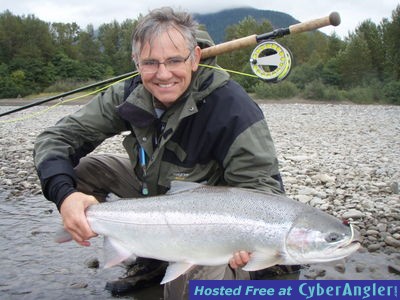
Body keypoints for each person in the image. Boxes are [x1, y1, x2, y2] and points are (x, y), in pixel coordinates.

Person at [34, 6, 297, 299]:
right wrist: (65, 196)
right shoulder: (128, 94)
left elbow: (263, 191)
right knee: (82, 172)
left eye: (174, 60)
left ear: (195, 58)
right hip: (156, 194)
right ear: (136, 62)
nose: (163, 74)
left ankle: (244, 275)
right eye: (150, 63)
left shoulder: (232, 108)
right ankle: (147, 254)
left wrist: (249, 242)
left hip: (214, 223)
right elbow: (56, 138)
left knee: (189, 291)